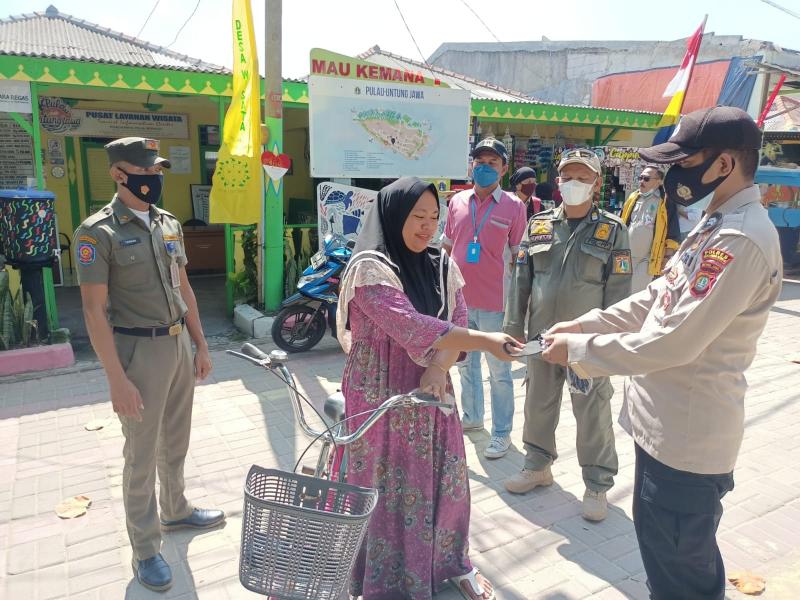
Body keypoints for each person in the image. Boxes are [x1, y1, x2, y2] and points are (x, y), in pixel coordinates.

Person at [540, 106, 781, 600]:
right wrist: (586, 322)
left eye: (683, 160)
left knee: (682, 581)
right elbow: (657, 299)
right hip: (662, 433)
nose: (673, 174)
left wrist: (580, 349)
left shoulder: (740, 239)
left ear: (724, 164)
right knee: (666, 565)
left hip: (688, 445)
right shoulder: (714, 223)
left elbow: (673, 340)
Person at [337, 177, 522, 600]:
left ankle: (447, 564)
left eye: (434, 217)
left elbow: (457, 313)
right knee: (382, 484)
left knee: (446, 477)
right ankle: (383, 578)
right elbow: (411, 325)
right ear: (393, 216)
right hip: (380, 391)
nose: (427, 226)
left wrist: (439, 367)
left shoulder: (443, 264)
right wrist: (483, 341)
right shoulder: (370, 268)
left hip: (432, 390)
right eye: (417, 216)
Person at [74, 137, 223, 592]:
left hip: (177, 345)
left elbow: (185, 289)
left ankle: (175, 509)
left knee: (175, 439)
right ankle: (145, 548)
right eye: (144, 171)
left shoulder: (169, 224)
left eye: (157, 170)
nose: (153, 178)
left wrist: (201, 344)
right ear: (119, 174)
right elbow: (93, 311)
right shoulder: (96, 232)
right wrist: (116, 380)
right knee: (140, 454)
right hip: (138, 352)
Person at [503, 148, 633, 521]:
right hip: (541, 339)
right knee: (538, 402)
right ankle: (537, 465)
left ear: (596, 184)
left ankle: (596, 486)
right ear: (558, 181)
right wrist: (513, 330)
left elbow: (619, 294)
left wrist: (608, 343)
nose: (574, 183)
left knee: (591, 411)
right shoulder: (539, 224)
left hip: (585, 345)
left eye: (583, 177)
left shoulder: (612, 230)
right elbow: (520, 281)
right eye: (568, 176)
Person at [442, 138, 527, 459]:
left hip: (497, 304)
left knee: (500, 372)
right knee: (465, 366)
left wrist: (521, 308)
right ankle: (473, 417)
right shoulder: (457, 202)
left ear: (504, 169)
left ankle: (502, 432)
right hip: (459, 300)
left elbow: (520, 258)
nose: (484, 168)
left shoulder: (514, 207)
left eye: (492, 163)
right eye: (480, 162)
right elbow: (447, 247)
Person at [620, 166, 681, 292]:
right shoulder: (633, 197)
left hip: (647, 258)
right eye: (640, 178)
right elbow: (622, 221)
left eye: (646, 178)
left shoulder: (665, 201)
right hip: (625, 254)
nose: (641, 181)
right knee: (620, 288)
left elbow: (672, 230)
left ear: (659, 181)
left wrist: (667, 257)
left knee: (635, 291)